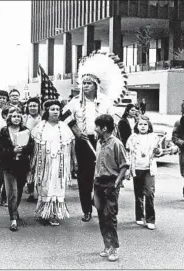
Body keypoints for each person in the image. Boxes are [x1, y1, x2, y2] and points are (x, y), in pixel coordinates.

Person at [61, 52, 127, 223]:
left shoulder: (106, 101)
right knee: (84, 178)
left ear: (96, 85)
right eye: (83, 83)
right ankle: (86, 210)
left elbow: (114, 121)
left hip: (102, 143)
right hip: (83, 143)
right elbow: (65, 116)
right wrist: (76, 131)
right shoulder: (75, 102)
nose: (85, 86)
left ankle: (98, 204)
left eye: (89, 83)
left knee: (100, 176)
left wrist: (106, 135)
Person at [29, 100, 76, 226]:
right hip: (43, 163)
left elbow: (71, 145)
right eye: (52, 109)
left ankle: (54, 213)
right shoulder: (40, 127)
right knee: (44, 185)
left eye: (57, 109)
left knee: (57, 186)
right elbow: (34, 147)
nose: (55, 111)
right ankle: (45, 210)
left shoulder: (64, 127)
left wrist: (73, 161)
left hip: (60, 163)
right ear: (47, 111)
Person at [93, 114, 128, 262]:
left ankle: (114, 248)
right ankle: (106, 245)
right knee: (101, 216)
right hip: (98, 183)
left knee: (110, 216)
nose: (95, 129)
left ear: (104, 128)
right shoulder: (99, 142)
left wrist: (117, 183)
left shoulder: (116, 143)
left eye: (97, 127)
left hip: (111, 183)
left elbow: (124, 165)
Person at [0, 106, 34, 231]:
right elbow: (0, 150)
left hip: (22, 165)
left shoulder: (26, 130)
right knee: (11, 192)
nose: (16, 118)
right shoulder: (4, 131)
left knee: (18, 190)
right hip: (8, 166)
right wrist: (12, 151)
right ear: (9, 117)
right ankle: (13, 218)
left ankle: (15, 209)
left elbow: (31, 147)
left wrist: (23, 149)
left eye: (19, 116)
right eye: (14, 116)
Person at [126, 116, 161, 230]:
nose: (142, 126)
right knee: (138, 193)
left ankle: (150, 219)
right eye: (140, 124)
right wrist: (128, 168)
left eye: (145, 124)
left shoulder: (154, 137)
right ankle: (140, 216)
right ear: (136, 126)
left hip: (149, 169)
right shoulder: (132, 137)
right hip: (137, 168)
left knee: (149, 193)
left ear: (149, 126)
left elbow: (159, 151)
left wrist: (158, 151)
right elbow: (128, 153)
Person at [23, 97, 42, 203]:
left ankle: (40, 192)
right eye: (30, 106)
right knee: (30, 170)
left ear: (39, 107)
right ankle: (31, 192)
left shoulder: (43, 118)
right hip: (28, 147)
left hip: (41, 146)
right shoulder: (24, 118)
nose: (32, 108)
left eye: (35, 105)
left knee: (40, 169)